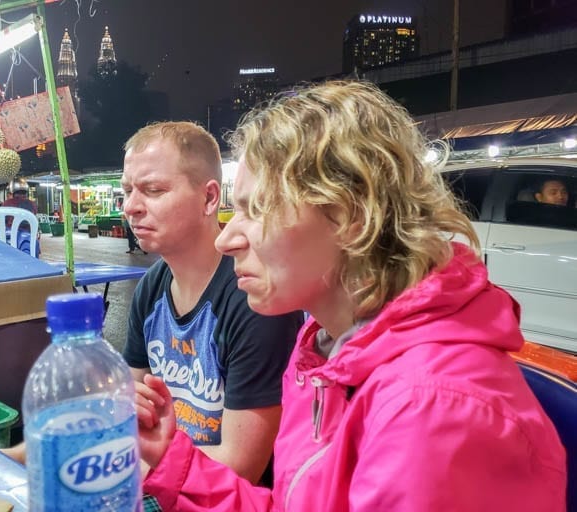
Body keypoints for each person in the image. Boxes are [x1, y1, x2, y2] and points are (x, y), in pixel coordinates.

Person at [135, 81, 567, 511]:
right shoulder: (326, 356)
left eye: (258, 209)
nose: (226, 239)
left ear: (349, 217)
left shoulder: (429, 409)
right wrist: (173, 461)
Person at [122, 121, 304, 484]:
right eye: (126, 191)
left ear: (209, 198)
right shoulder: (150, 289)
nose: (131, 207)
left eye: (153, 190)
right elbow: (127, 404)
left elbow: (240, 466)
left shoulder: (255, 300)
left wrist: (135, 456)